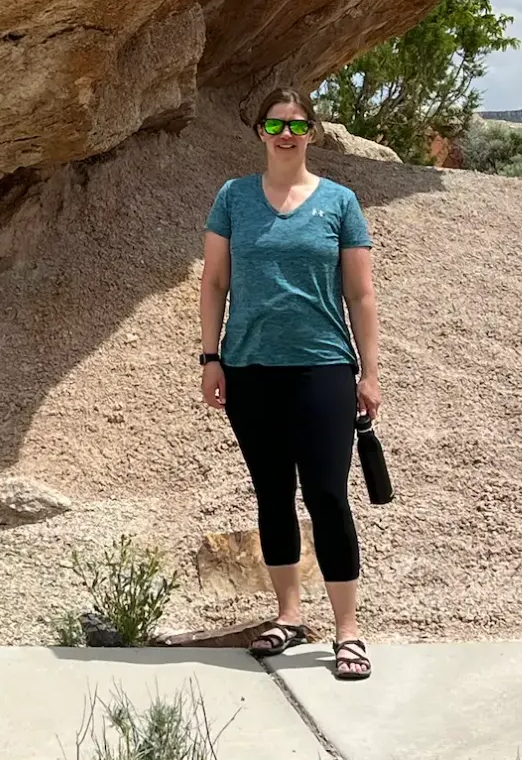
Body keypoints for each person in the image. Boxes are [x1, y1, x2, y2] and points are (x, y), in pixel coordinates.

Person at [198, 87, 381, 677]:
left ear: (312, 134)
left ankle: (348, 631)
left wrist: (370, 371)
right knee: (272, 495)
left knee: (328, 495)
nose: (286, 136)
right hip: (249, 368)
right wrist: (210, 357)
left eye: (298, 127)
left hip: (323, 365)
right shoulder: (232, 198)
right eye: (275, 126)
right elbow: (214, 283)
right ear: (259, 132)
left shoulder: (340, 202)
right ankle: (288, 615)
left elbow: (360, 293)